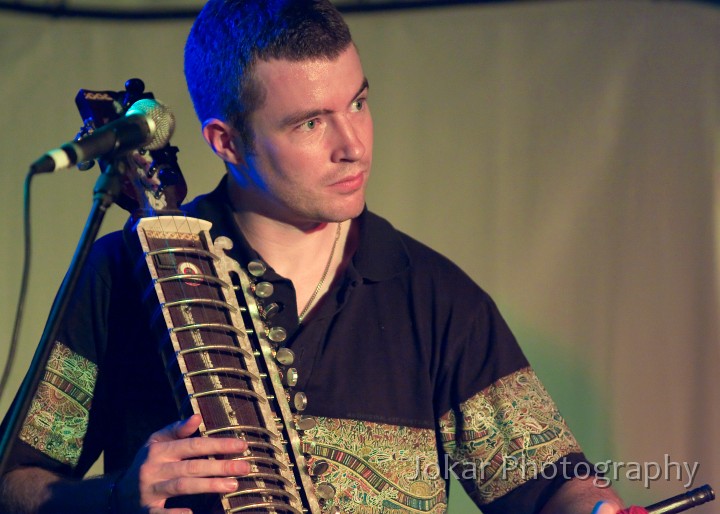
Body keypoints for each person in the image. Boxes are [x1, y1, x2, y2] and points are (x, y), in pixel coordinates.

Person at [0, 1, 635, 513]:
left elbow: (555, 485)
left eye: (358, 102)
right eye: (310, 123)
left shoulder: (436, 299)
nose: (353, 145)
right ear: (225, 141)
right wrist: (114, 498)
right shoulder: (125, 272)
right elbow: (14, 484)